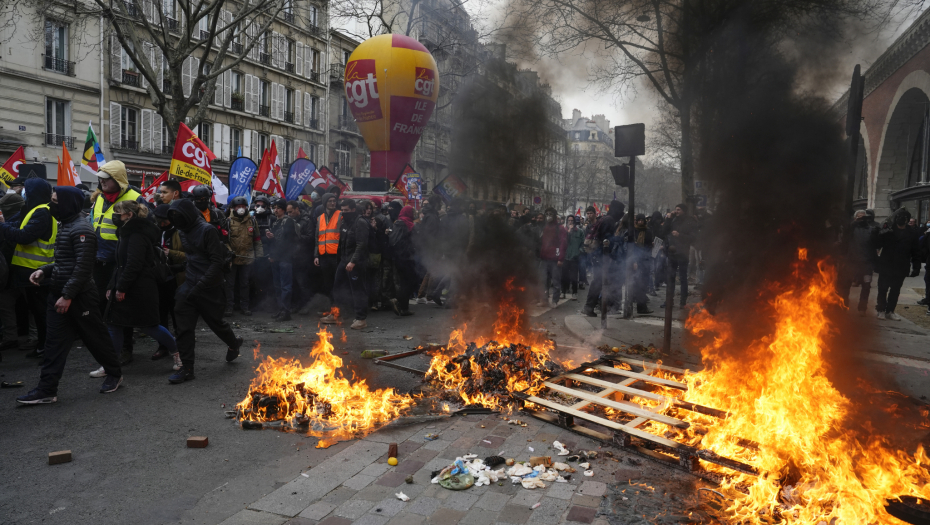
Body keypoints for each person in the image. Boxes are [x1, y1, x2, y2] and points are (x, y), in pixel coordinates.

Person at [16, 187, 123, 404]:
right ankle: (47, 390)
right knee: (53, 346)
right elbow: (66, 262)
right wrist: (45, 271)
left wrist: (68, 295)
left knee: (96, 339)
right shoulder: (66, 225)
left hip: (79, 297)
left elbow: (83, 268)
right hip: (59, 294)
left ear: (67, 204)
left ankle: (114, 373)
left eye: (55, 201)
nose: (50, 205)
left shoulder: (82, 229)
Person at [166, 199, 243, 383]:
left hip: (210, 286)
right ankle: (187, 368)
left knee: (216, 322)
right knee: (183, 327)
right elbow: (193, 257)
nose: (177, 222)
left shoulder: (207, 230)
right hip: (190, 285)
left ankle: (233, 344)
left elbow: (216, 262)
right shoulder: (182, 230)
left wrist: (200, 286)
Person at [99, 200, 180, 374]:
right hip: (126, 285)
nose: (115, 217)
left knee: (148, 326)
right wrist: (112, 286)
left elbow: (134, 264)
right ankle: (110, 365)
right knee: (115, 324)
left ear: (129, 215)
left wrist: (121, 288)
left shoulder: (137, 234)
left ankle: (177, 353)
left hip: (141, 288)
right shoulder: (125, 232)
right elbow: (120, 264)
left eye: (118, 213)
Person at [90, 160, 144, 365]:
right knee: (103, 306)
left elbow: (144, 230)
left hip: (120, 262)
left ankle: (125, 349)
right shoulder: (99, 198)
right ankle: (109, 347)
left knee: (122, 307)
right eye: (100, 178)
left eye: (106, 179)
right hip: (100, 260)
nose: (102, 182)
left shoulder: (136, 198)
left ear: (118, 180)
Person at [0, 178, 54, 360]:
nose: (23, 193)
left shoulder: (42, 212)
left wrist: (1, 226)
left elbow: (24, 236)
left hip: (36, 271)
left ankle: (46, 346)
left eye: (26, 190)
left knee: (40, 312)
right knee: (38, 312)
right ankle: (43, 345)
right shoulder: (33, 210)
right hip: (30, 271)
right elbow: (17, 226)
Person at [323, 199, 369, 329]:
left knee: (358, 291)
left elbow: (362, 245)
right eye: (342, 210)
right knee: (337, 288)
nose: (344, 213)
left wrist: (353, 261)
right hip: (344, 261)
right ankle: (336, 314)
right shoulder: (345, 222)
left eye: (346, 210)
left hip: (355, 263)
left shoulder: (360, 223)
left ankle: (361, 319)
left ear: (353, 210)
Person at [873, 208, 919, 321]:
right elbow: (877, 245)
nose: (901, 220)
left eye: (904, 218)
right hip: (886, 265)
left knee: (895, 290)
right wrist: (879, 233)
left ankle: (890, 311)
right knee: (883, 289)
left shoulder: (912, 233)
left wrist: (916, 268)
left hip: (901, 266)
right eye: (899, 217)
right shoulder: (888, 231)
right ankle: (881, 310)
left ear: (907, 220)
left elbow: (915, 252)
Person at [152, 204, 184, 363]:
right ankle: (163, 345)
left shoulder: (181, 232)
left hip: (176, 279)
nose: (162, 223)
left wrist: (170, 253)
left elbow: (190, 256)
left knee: (177, 313)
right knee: (160, 314)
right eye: (159, 220)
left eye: (164, 220)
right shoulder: (154, 231)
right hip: (159, 280)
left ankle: (182, 346)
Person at [582, 201, 623, 317]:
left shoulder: (605, 219)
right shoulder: (609, 220)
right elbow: (606, 240)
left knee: (600, 281)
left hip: (598, 255)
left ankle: (595, 306)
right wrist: (618, 240)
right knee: (598, 281)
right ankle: (590, 306)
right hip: (601, 256)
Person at [0, 192, 28, 355]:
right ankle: (28, 335)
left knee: (7, 304)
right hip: (22, 269)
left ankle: (13, 335)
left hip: (17, 270)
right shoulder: (24, 219)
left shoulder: (13, 224)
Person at [225, 196, 262, 316]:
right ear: (233, 208)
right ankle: (229, 307)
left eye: (243, 206)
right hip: (232, 258)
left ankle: (244, 307)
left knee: (245, 284)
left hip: (247, 258)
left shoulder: (252, 221)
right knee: (230, 284)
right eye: (238, 207)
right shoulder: (228, 221)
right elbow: (225, 240)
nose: (241, 209)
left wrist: (259, 255)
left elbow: (256, 239)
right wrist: (229, 252)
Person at [660, 204, 696, 309]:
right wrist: (668, 219)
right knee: (670, 277)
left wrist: (679, 235)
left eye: (679, 210)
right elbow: (664, 232)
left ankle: (682, 301)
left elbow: (693, 238)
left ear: (684, 211)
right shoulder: (673, 220)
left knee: (683, 278)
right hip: (672, 252)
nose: (677, 211)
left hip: (683, 253)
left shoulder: (690, 221)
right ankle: (669, 300)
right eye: (676, 209)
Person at [266, 199, 297, 321]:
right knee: (278, 286)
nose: (275, 210)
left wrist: (274, 239)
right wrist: (270, 239)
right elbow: (274, 243)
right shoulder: (275, 223)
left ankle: (286, 311)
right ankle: (281, 309)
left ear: (283, 209)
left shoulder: (288, 222)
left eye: (278, 208)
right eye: (274, 208)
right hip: (277, 258)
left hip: (285, 258)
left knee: (285, 286)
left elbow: (288, 241)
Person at [843, 210, 877, 315]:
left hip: (866, 263)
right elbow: (845, 236)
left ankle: (862, 308)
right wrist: (854, 223)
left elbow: (875, 245)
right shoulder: (851, 229)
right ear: (855, 218)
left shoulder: (871, 230)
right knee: (846, 285)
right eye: (859, 217)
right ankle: (844, 305)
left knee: (866, 286)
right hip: (852, 262)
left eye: (864, 217)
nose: (862, 219)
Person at [314, 193, 341, 312]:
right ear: (325, 203)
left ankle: (338, 307)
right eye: (329, 201)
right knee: (327, 283)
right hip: (323, 255)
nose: (332, 203)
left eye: (334, 201)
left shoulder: (340, 215)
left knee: (337, 283)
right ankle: (331, 307)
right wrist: (316, 255)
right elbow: (317, 238)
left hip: (336, 255)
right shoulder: (320, 218)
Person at [389, 205, 417, 316]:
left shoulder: (397, 223)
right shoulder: (408, 225)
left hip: (398, 257)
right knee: (410, 281)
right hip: (406, 257)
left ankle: (404, 308)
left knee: (404, 281)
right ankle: (398, 301)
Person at [289, 199, 315, 315]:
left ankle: (306, 306)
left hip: (303, 257)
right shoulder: (290, 220)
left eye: (291, 212)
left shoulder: (306, 220)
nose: (289, 214)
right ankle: (297, 305)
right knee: (295, 283)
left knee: (303, 283)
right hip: (292, 256)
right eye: (287, 212)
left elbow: (310, 238)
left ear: (297, 209)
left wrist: (296, 237)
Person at [626, 214, 655, 314]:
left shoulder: (648, 231)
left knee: (643, 284)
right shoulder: (634, 231)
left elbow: (648, 245)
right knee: (639, 284)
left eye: (642, 220)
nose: (640, 222)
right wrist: (634, 261)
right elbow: (633, 248)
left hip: (645, 259)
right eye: (639, 220)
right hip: (637, 260)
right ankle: (641, 307)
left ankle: (641, 306)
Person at [539, 208, 567, 307]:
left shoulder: (560, 228)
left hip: (555, 259)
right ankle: (544, 300)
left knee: (556, 281)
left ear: (555, 215)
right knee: (543, 280)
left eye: (550, 214)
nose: (548, 216)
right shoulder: (545, 227)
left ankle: (555, 301)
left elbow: (563, 244)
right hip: (544, 258)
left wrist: (560, 258)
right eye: (546, 214)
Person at [562, 215, 585, 300]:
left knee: (574, 276)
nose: (570, 222)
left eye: (572, 220)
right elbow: (562, 242)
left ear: (574, 222)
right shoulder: (564, 231)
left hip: (575, 257)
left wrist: (580, 251)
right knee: (564, 276)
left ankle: (574, 292)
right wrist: (568, 232)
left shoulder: (579, 231)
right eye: (569, 220)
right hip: (565, 256)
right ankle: (563, 291)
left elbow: (583, 243)